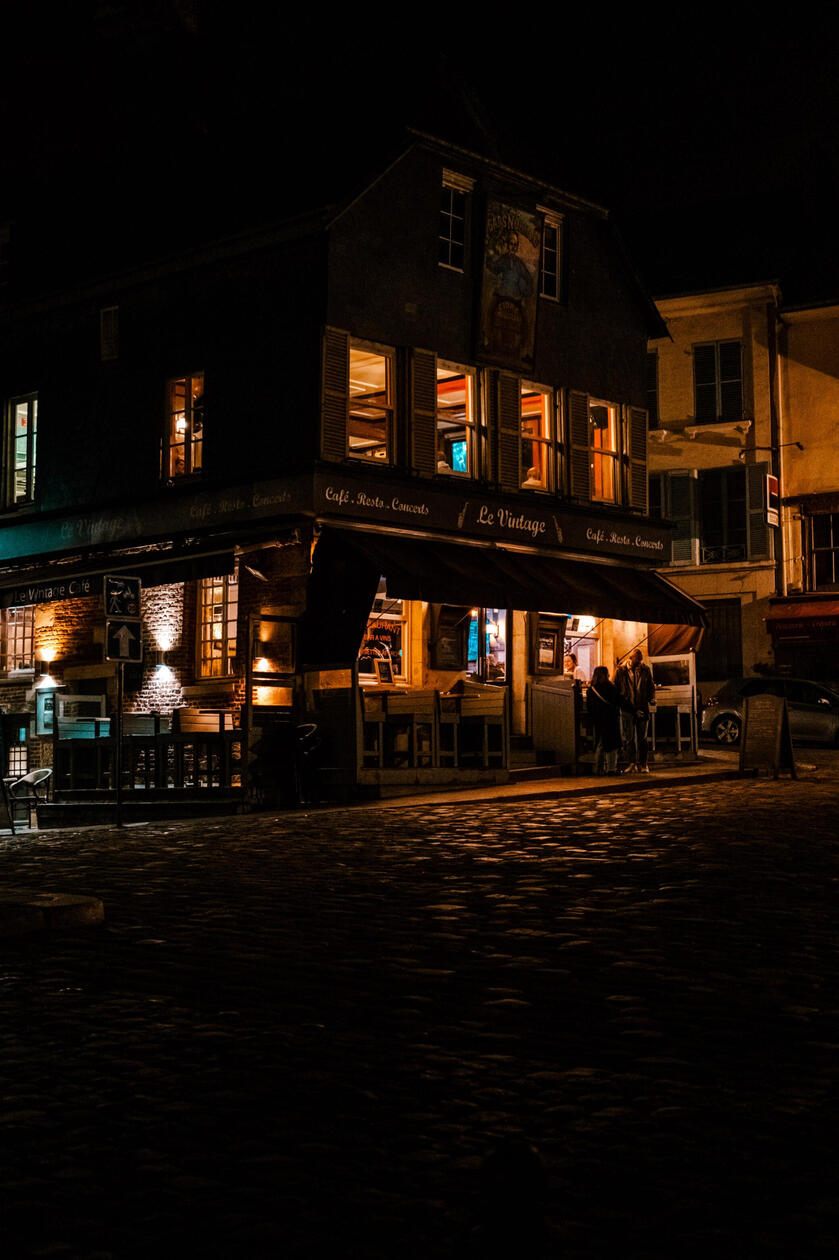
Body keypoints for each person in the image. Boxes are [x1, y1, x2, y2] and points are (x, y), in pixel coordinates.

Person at [615, 648, 657, 772]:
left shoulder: (645, 670)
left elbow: (650, 686)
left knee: (642, 738)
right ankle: (632, 763)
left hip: (642, 707)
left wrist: (651, 698)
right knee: (629, 738)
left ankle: (643, 764)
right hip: (627, 709)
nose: (639, 663)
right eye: (637, 661)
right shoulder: (621, 671)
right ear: (631, 658)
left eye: (640, 661)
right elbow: (617, 690)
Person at [588, 665, 633, 774]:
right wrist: (633, 710)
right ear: (604, 675)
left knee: (600, 744)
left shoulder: (591, 689)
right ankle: (611, 768)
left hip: (598, 721)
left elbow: (590, 708)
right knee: (612, 745)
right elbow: (620, 700)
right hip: (610, 719)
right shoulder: (610, 687)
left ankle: (598, 769)